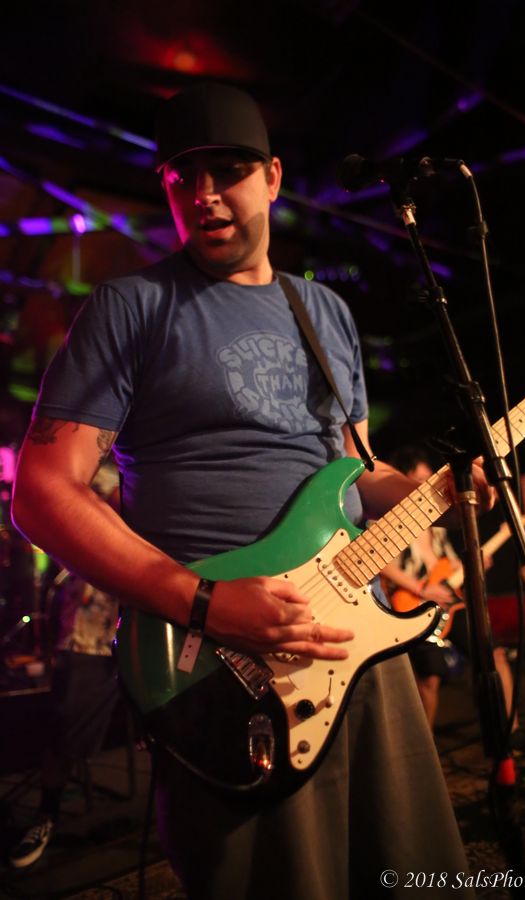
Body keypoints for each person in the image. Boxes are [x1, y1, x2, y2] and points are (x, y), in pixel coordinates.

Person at [11, 81, 495, 898]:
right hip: (224, 666)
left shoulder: (325, 312)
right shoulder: (132, 307)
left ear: (272, 178)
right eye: (181, 176)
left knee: (404, 859)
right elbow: (42, 493)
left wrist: (432, 491)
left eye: (228, 170)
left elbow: (357, 468)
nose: (202, 194)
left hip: (357, 635)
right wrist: (203, 601)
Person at [380, 446, 525, 756]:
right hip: (413, 606)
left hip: (448, 604)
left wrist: (472, 563)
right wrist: (421, 588)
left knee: (494, 654)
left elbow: (446, 567)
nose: (425, 486)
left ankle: (511, 733)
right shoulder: (391, 522)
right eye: (418, 479)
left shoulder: (436, 526)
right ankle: (422, 753)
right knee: (429, 679)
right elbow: (383, 566)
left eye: (428, 478)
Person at [9, 461, 121, 868]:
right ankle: (47, 815)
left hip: (154, 615)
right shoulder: (91, 465)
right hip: (91, 628)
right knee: (65, 727)